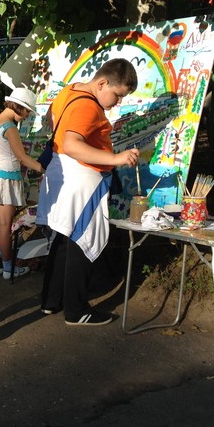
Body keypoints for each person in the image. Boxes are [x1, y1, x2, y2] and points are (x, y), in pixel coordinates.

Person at [37, 59, 139, 326]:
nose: (118, 102)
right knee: (82, 240)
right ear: (102, 83)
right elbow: (72, 144)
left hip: (62, 173)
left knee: (63, 237)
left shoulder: (70, 91)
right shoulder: (88, 106)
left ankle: (51, 300)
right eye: (117, 95)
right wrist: (115, 158)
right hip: (82, 179)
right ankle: (76, 310)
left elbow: (52, 120)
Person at [0, 87, 44, 280]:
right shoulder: (10, 127)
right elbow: (22, 157)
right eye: (27, 111)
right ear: (19, 107)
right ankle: (7, 268)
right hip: (7, 178)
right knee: (5, 225)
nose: (27, 115)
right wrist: (42, 168)